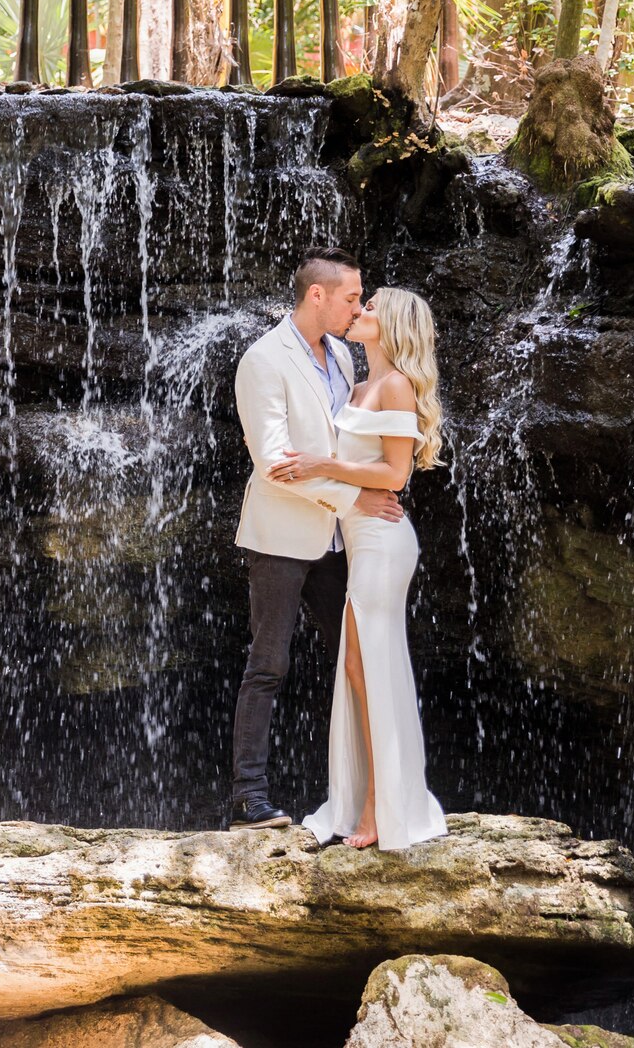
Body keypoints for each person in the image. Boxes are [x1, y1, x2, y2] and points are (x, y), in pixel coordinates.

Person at [228, 248, 404, 833]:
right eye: (352, 297)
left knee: (357, 661)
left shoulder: (346, 361)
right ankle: (250, 798)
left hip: (338, 541)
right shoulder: (263, 360)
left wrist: (366, 494)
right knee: (268, 663)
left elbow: (345, 451)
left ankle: (367, 796)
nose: (359, 307)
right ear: (318, 296)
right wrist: (355, 498)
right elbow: (277, 463)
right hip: (281, 536)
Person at [268, 287, 448, 851]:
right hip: (364, 538)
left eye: (370, 307)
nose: (359, 311)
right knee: (361, 668)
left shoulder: (393, 385)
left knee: (369, 667)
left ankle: (379, 810)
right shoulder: (363, 383)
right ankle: (374, 798)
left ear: (390, 323)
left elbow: (395, 475)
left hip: (384, 541)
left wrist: (323, 465)